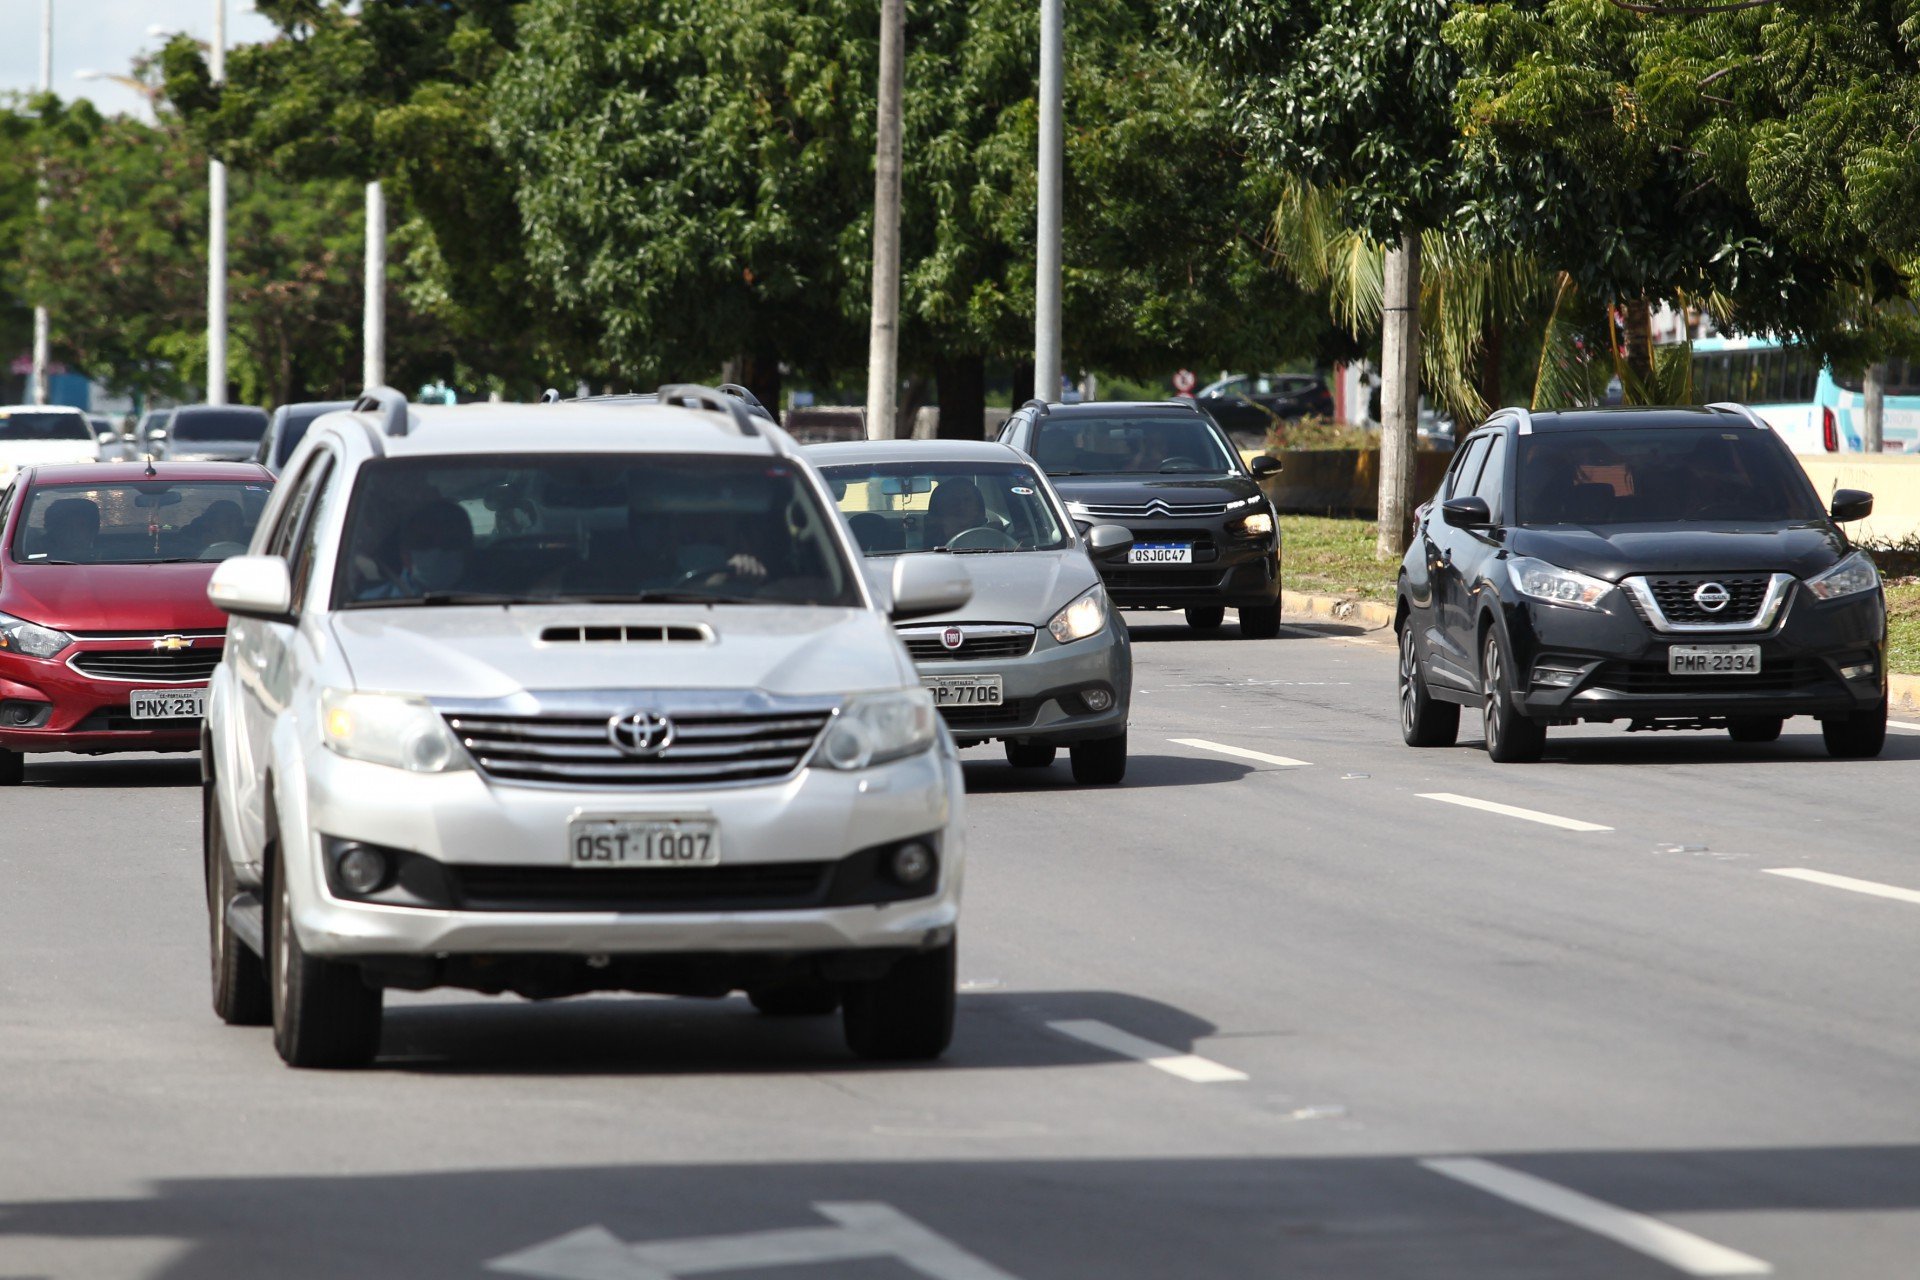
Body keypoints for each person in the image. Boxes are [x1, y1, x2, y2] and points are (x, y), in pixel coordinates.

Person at [359, 500, 474, 600]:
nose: (437, 552)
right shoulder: (367, 606)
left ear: (468, 551)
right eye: (425, 543)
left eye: (450, 543)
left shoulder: (489, 601)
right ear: (404, 553)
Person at [923, 479, 987, 548]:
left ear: (977, 506)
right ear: (941, 506)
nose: (961, 505)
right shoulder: (922, 541)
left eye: (967, 500)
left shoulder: (989, 534)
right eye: (954, 500)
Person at [40, 497, 100, 563]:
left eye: (81, 526)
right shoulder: (34, 557)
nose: (74, 533)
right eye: (66, 526)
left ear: (93, 530)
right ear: (52, 531)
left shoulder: (109, 556)